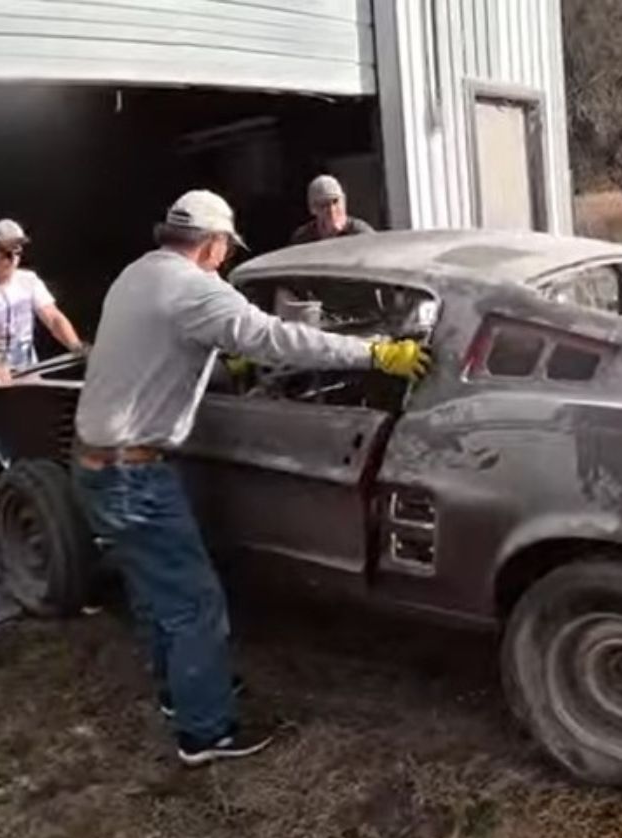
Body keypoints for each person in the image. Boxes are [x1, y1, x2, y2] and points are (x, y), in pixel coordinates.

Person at [73, 189, 428, 767]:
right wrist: (377, 354)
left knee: (155, 592)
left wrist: (221, 357)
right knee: (195, 601)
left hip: (95, 462)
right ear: (212, 243)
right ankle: (206, 732)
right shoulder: (195, 288)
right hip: (132, 473)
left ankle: (182, 697)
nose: (225, 258)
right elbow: (278, 337)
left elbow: (173, 340)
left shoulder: (138, 274)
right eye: (225, 248)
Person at [0, 219, 87, 478]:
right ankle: (9, 497)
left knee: (38, 441)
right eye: (6, 252)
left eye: (18, 251)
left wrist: (76, 346)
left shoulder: (28, 280)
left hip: (27, 372)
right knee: (3, 451)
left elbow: (53, 317)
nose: (12, 258)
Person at [289, 175, 376, 246]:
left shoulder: (360, 233)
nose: (332, 210)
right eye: (324, 205)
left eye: (335, 201)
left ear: (344, 201)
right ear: (313, 209)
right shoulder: (303, 239)